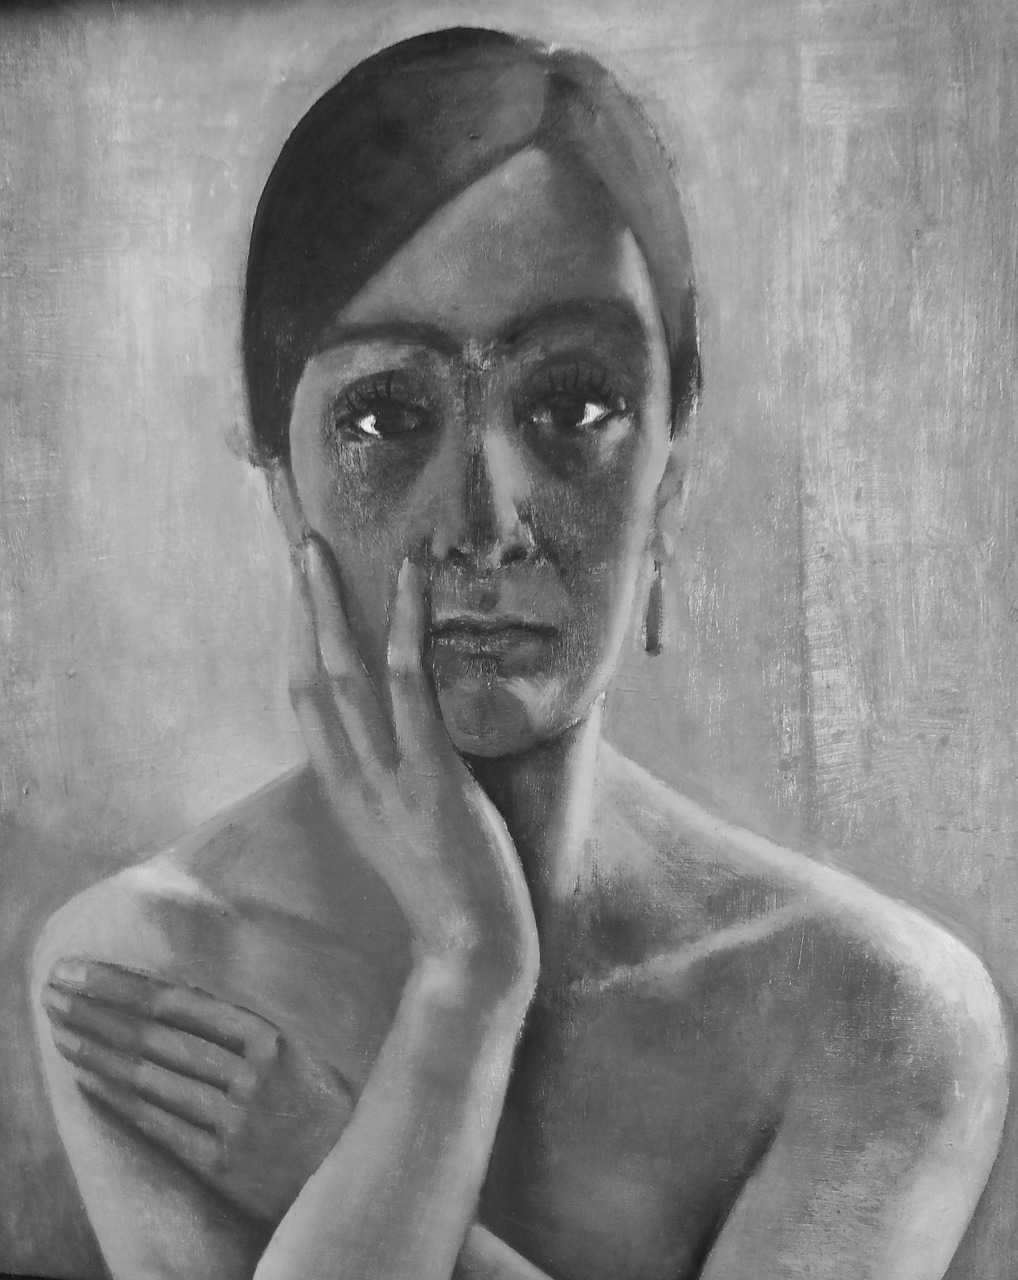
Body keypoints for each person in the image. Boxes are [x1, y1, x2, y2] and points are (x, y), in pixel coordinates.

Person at [31, 27, 1008, 1280]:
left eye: (572, 405)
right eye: (387, 414)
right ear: (284, 487)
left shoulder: (882, 1015)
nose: (482, 521)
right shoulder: (146, 972)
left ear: (668, 477)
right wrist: (467, 984)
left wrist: (340, 1158)